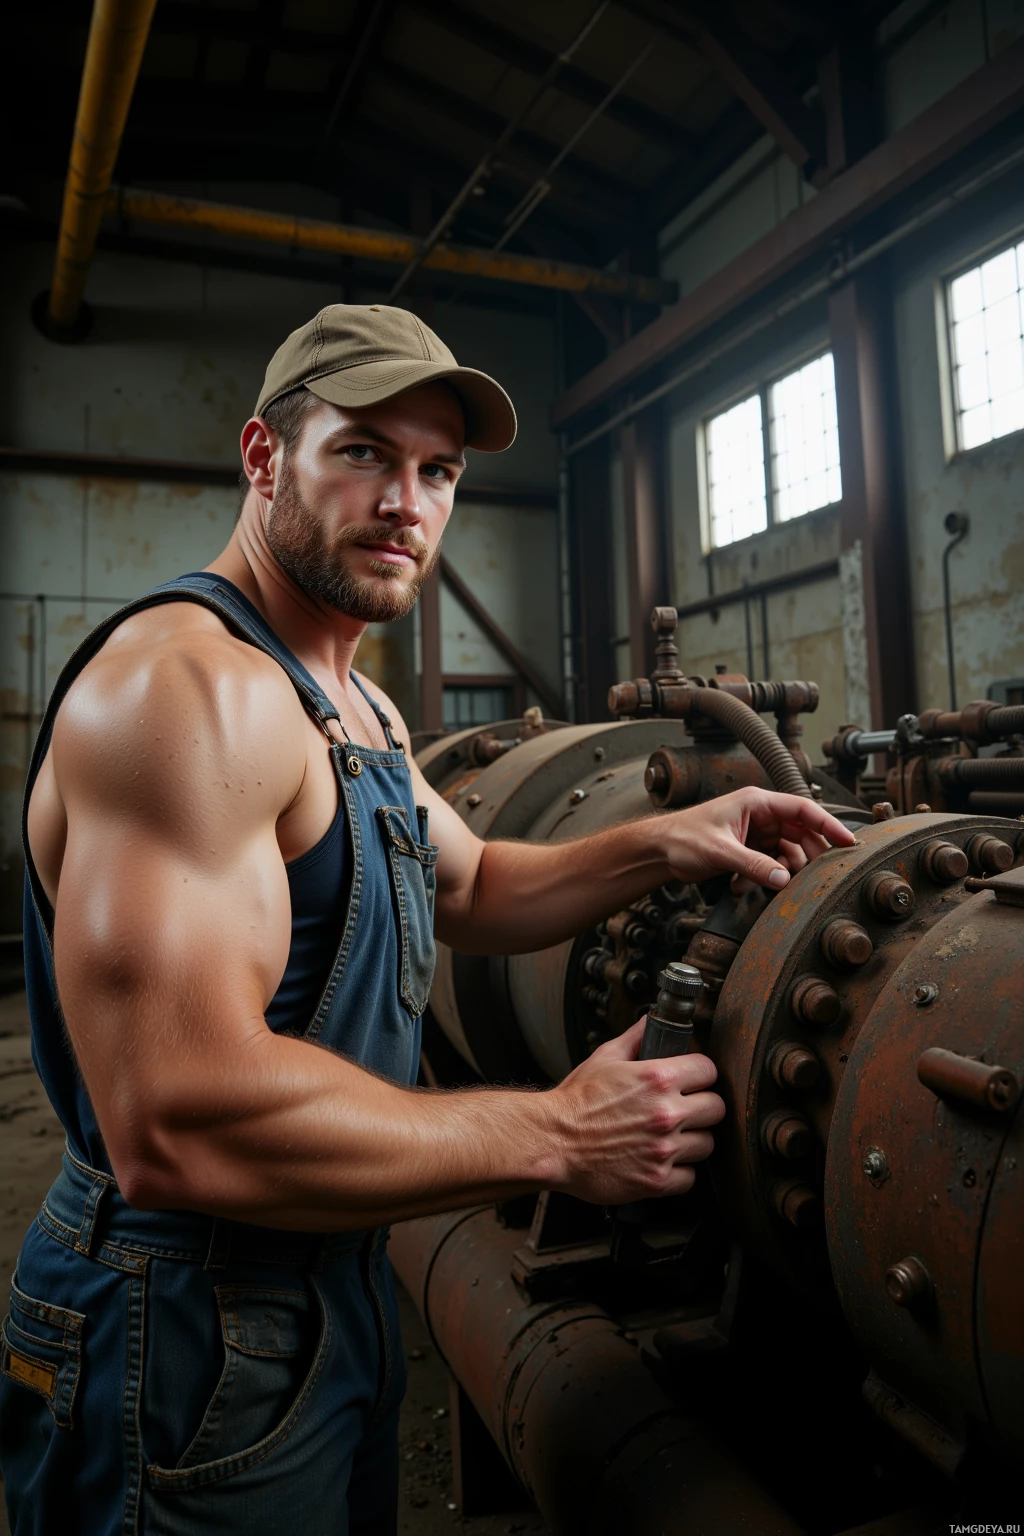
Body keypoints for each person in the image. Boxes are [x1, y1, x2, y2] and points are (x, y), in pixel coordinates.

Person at [0, 304, 855, 1535]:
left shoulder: (358, 711)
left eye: (438, 470)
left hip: (325, 1280)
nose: (408, 499)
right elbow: (176, 1123)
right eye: (362, 452)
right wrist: (557, 1132)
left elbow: (470, 887)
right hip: (174, 1320)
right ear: (263, 458)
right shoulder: (188, 694)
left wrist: (668, 841)